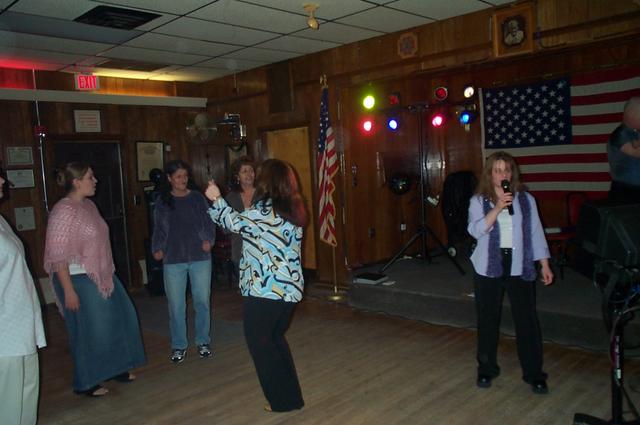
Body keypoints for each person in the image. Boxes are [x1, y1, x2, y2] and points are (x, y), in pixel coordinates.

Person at [205, 159, 306, 413]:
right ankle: (291, 398)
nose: (256, 178)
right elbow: (241, 225)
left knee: (262, 347)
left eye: (260, 175)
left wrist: (216, 198)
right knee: (274, 341)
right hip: (287, 291)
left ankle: (282, 402)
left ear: (267, 182)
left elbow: (233, 223)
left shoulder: (264, 212)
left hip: (266, 291)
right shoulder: (291, 209)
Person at [43, 162, 145, 397]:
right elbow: (57, 256)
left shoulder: (88, 206)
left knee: (121, 319)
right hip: (77, 278)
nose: (95, 180)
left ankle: (116, 368)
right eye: (90, 177)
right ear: (77, 182)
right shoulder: (62, 211)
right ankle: (86, 382)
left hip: (100, 274)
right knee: (89, 331)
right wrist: (68, 291)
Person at [467, 151, 554, 395]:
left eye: (506, 170)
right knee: (488, 319)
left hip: (519, 264)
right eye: (497, 170)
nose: (503, 174)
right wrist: (497, 207)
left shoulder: (526, 199)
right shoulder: (478, 201)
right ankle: (486, 368)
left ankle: (534, 373)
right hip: (488, 265)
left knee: (527, 320)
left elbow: (536, 232)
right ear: (490, 174)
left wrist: (544, 264)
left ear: (512, 173)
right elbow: (475, 231)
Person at [152, 160, 215, 363]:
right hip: (173, 259)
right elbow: (159, 228)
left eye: (185, 176)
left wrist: (208, 240)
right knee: (176, 306)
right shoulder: (163, 201)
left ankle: (203, 341)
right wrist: (157, 247)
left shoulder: (197, 198)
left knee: (202, 301)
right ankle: (179, 345)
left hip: (199, 258)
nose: (183, 180)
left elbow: (208, 221)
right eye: (178, 176)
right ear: (169, 178)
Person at [0, 171, 47, 424]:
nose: (2, 181)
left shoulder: (1, 220)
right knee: (8, 405)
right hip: (4, 337)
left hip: (21, 328)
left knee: (26, 397)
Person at [224, 156, 256, 276]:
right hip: (240, 250)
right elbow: (225, 227)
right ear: (237, 176)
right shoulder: (231, 198)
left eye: (251, 170)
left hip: (263, 251)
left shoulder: (263, 194)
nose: (249, 174)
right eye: (244, 171)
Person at [607, 96, 640, 203]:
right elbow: (635, 152)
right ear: (632, 114)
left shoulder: (635, 133)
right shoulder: (620, 133)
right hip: (625, 191)